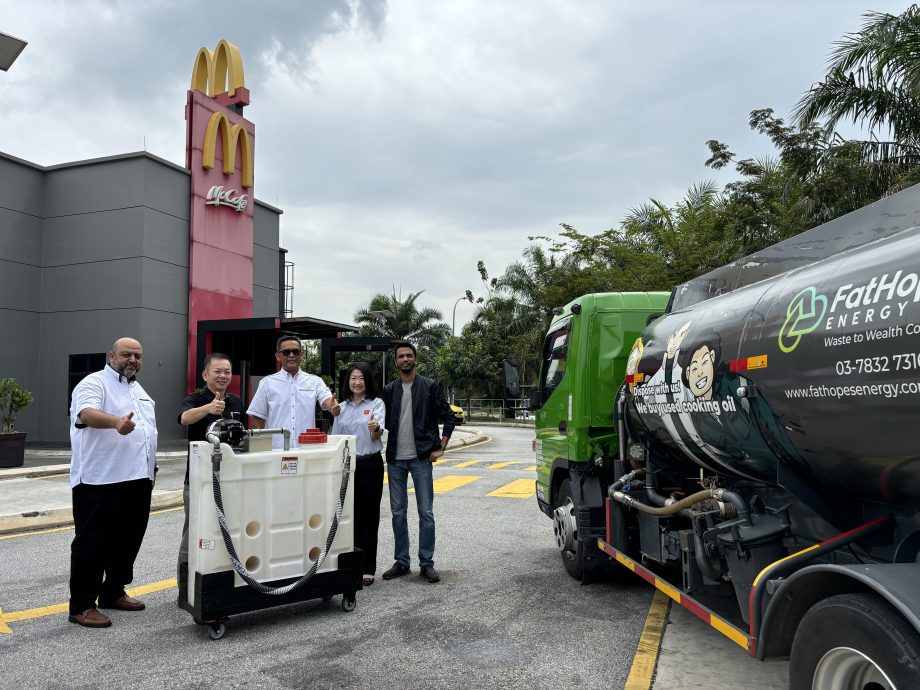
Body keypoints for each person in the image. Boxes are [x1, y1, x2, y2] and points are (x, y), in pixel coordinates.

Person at [67, 337, 158, 628]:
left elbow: (146, 431)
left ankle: (113, 591)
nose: (133, 360)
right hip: (100, 479)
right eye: (126, 354)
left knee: (128, 539)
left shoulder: (138, 389)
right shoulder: (94, 383)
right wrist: (116, 422)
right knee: (92, 543)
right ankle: (81, 605)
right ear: (111, 355)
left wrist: (150, 469)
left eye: (138, 356)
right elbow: (86, 414)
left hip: (137, 478)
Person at [381, 340, 455, 584]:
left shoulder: (430, 386)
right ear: (396, 362)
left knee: (426, 512)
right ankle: (402, 562)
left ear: (416, 359)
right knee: (398, 512)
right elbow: (383, 421)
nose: (404, 359)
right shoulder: (389, 389)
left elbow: (449, 417)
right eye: (400, 356)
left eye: (408, 355)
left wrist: (440, 448)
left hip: (422, 459)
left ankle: (426, 563)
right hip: (395, 460)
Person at [175, 352, 245, 605]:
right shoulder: (195, 399)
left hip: (229, 479)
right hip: (198, 479)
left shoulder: (236, 401)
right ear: (206, 375)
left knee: (226, 530)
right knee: (193, 532)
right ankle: (185, 590)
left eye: (227, 371)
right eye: (218, 371)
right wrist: (208, 408)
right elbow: (184, 418)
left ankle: (220, 584)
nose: (223, 376)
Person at [331, 362, 386, 586]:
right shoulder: (340, 408)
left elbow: (377, 434)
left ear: (368, 381)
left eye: (361, 378)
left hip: (369, 464)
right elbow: (335, 438)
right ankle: (350, 564)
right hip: (346, 466)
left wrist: (375, 428)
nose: (357, 382)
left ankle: (367, 567)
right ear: (348, 381)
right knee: (347, 515)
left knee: (368, 517)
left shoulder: (376, 404)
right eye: (353, 378)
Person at [247, 335, 341, 447]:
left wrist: (332, 406)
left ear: (301, 355)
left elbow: (327, 399)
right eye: (286, 352)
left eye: (295, 352)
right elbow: (258, 418)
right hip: (276, 450)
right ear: (278, 356)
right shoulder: (267, 383)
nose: (291, 355)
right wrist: (258, 448)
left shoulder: (315, 381)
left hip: (306, 449)